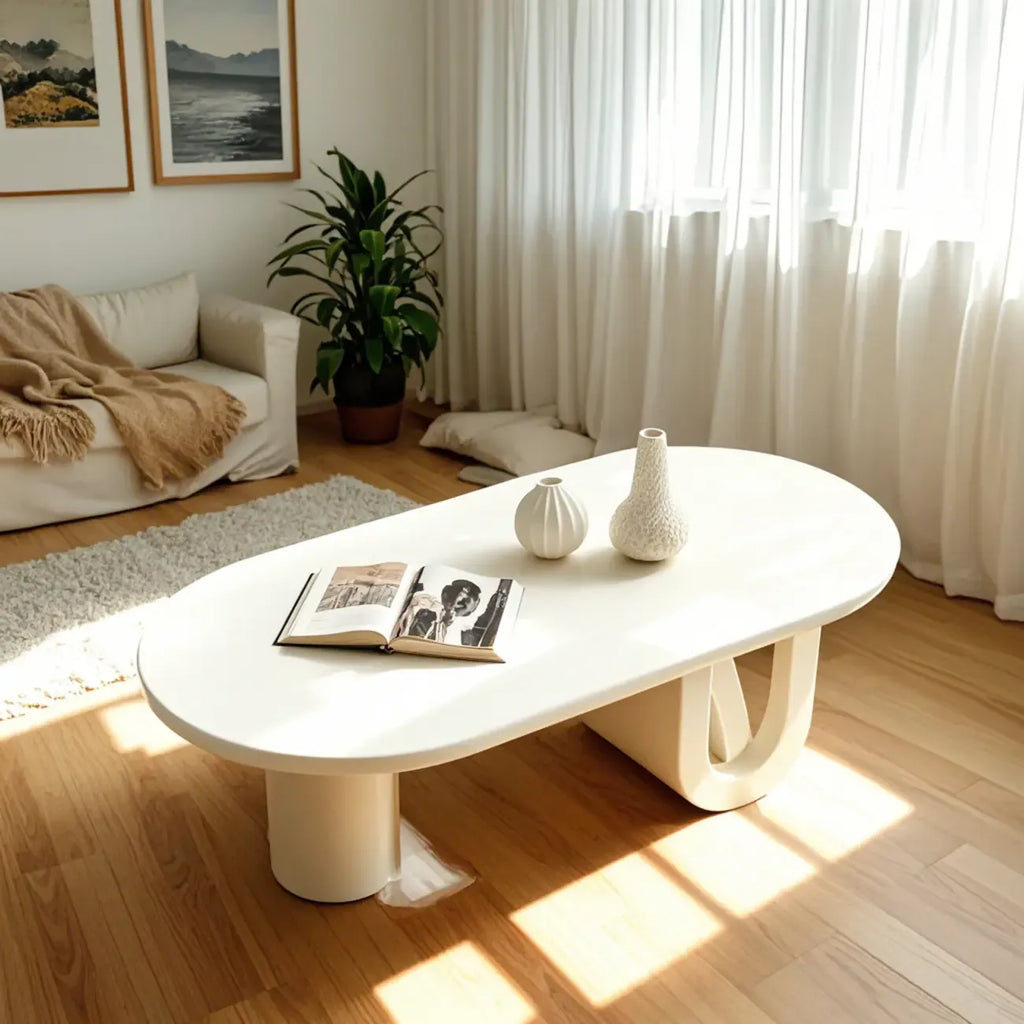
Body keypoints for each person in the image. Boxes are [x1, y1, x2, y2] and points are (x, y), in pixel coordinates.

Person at [395, 579, 482, 642]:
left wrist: (443, 623)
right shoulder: (425, 602)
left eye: (463, 605)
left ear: (467, 613)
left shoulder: (455, 635)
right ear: (444, 595)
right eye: (453, 596)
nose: (455, 603)